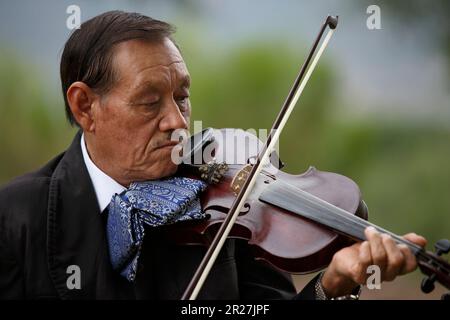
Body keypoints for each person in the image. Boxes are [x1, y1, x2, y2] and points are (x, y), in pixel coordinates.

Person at [0, 10, 427, 299]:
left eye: (181, 98)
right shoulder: (17, 218)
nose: (177, 122)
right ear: (84, 106)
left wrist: (331, 285)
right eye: (150, 102)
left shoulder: (226, 213)